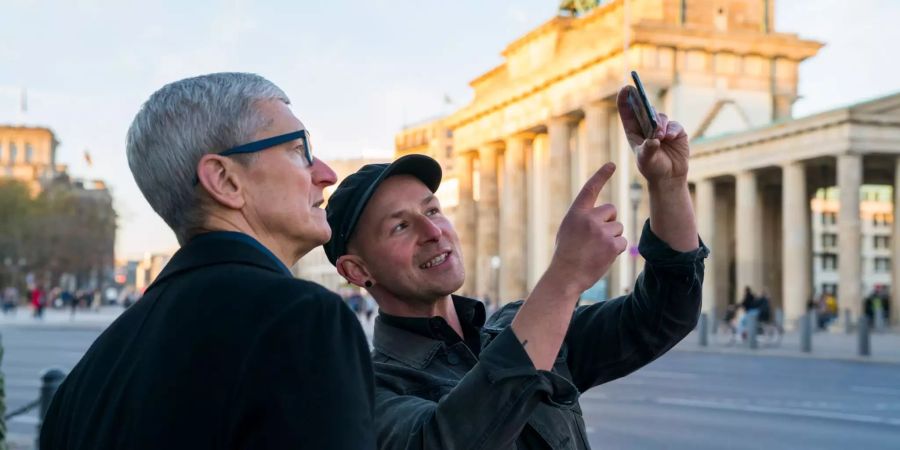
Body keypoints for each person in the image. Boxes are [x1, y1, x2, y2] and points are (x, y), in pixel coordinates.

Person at [323, 85, 707, 449]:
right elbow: (449, 438)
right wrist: (564, 277)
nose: (433, 231)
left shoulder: (516, 327)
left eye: (433, 210)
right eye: (401, 226)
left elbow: (665, 313)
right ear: (356, 271)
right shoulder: (368, 392)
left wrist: (669, 185)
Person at [40, 73, 376, 449]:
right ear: (225, 181)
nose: (326, 175)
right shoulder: (303, 321)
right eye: (300, 151)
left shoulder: (84, 382)